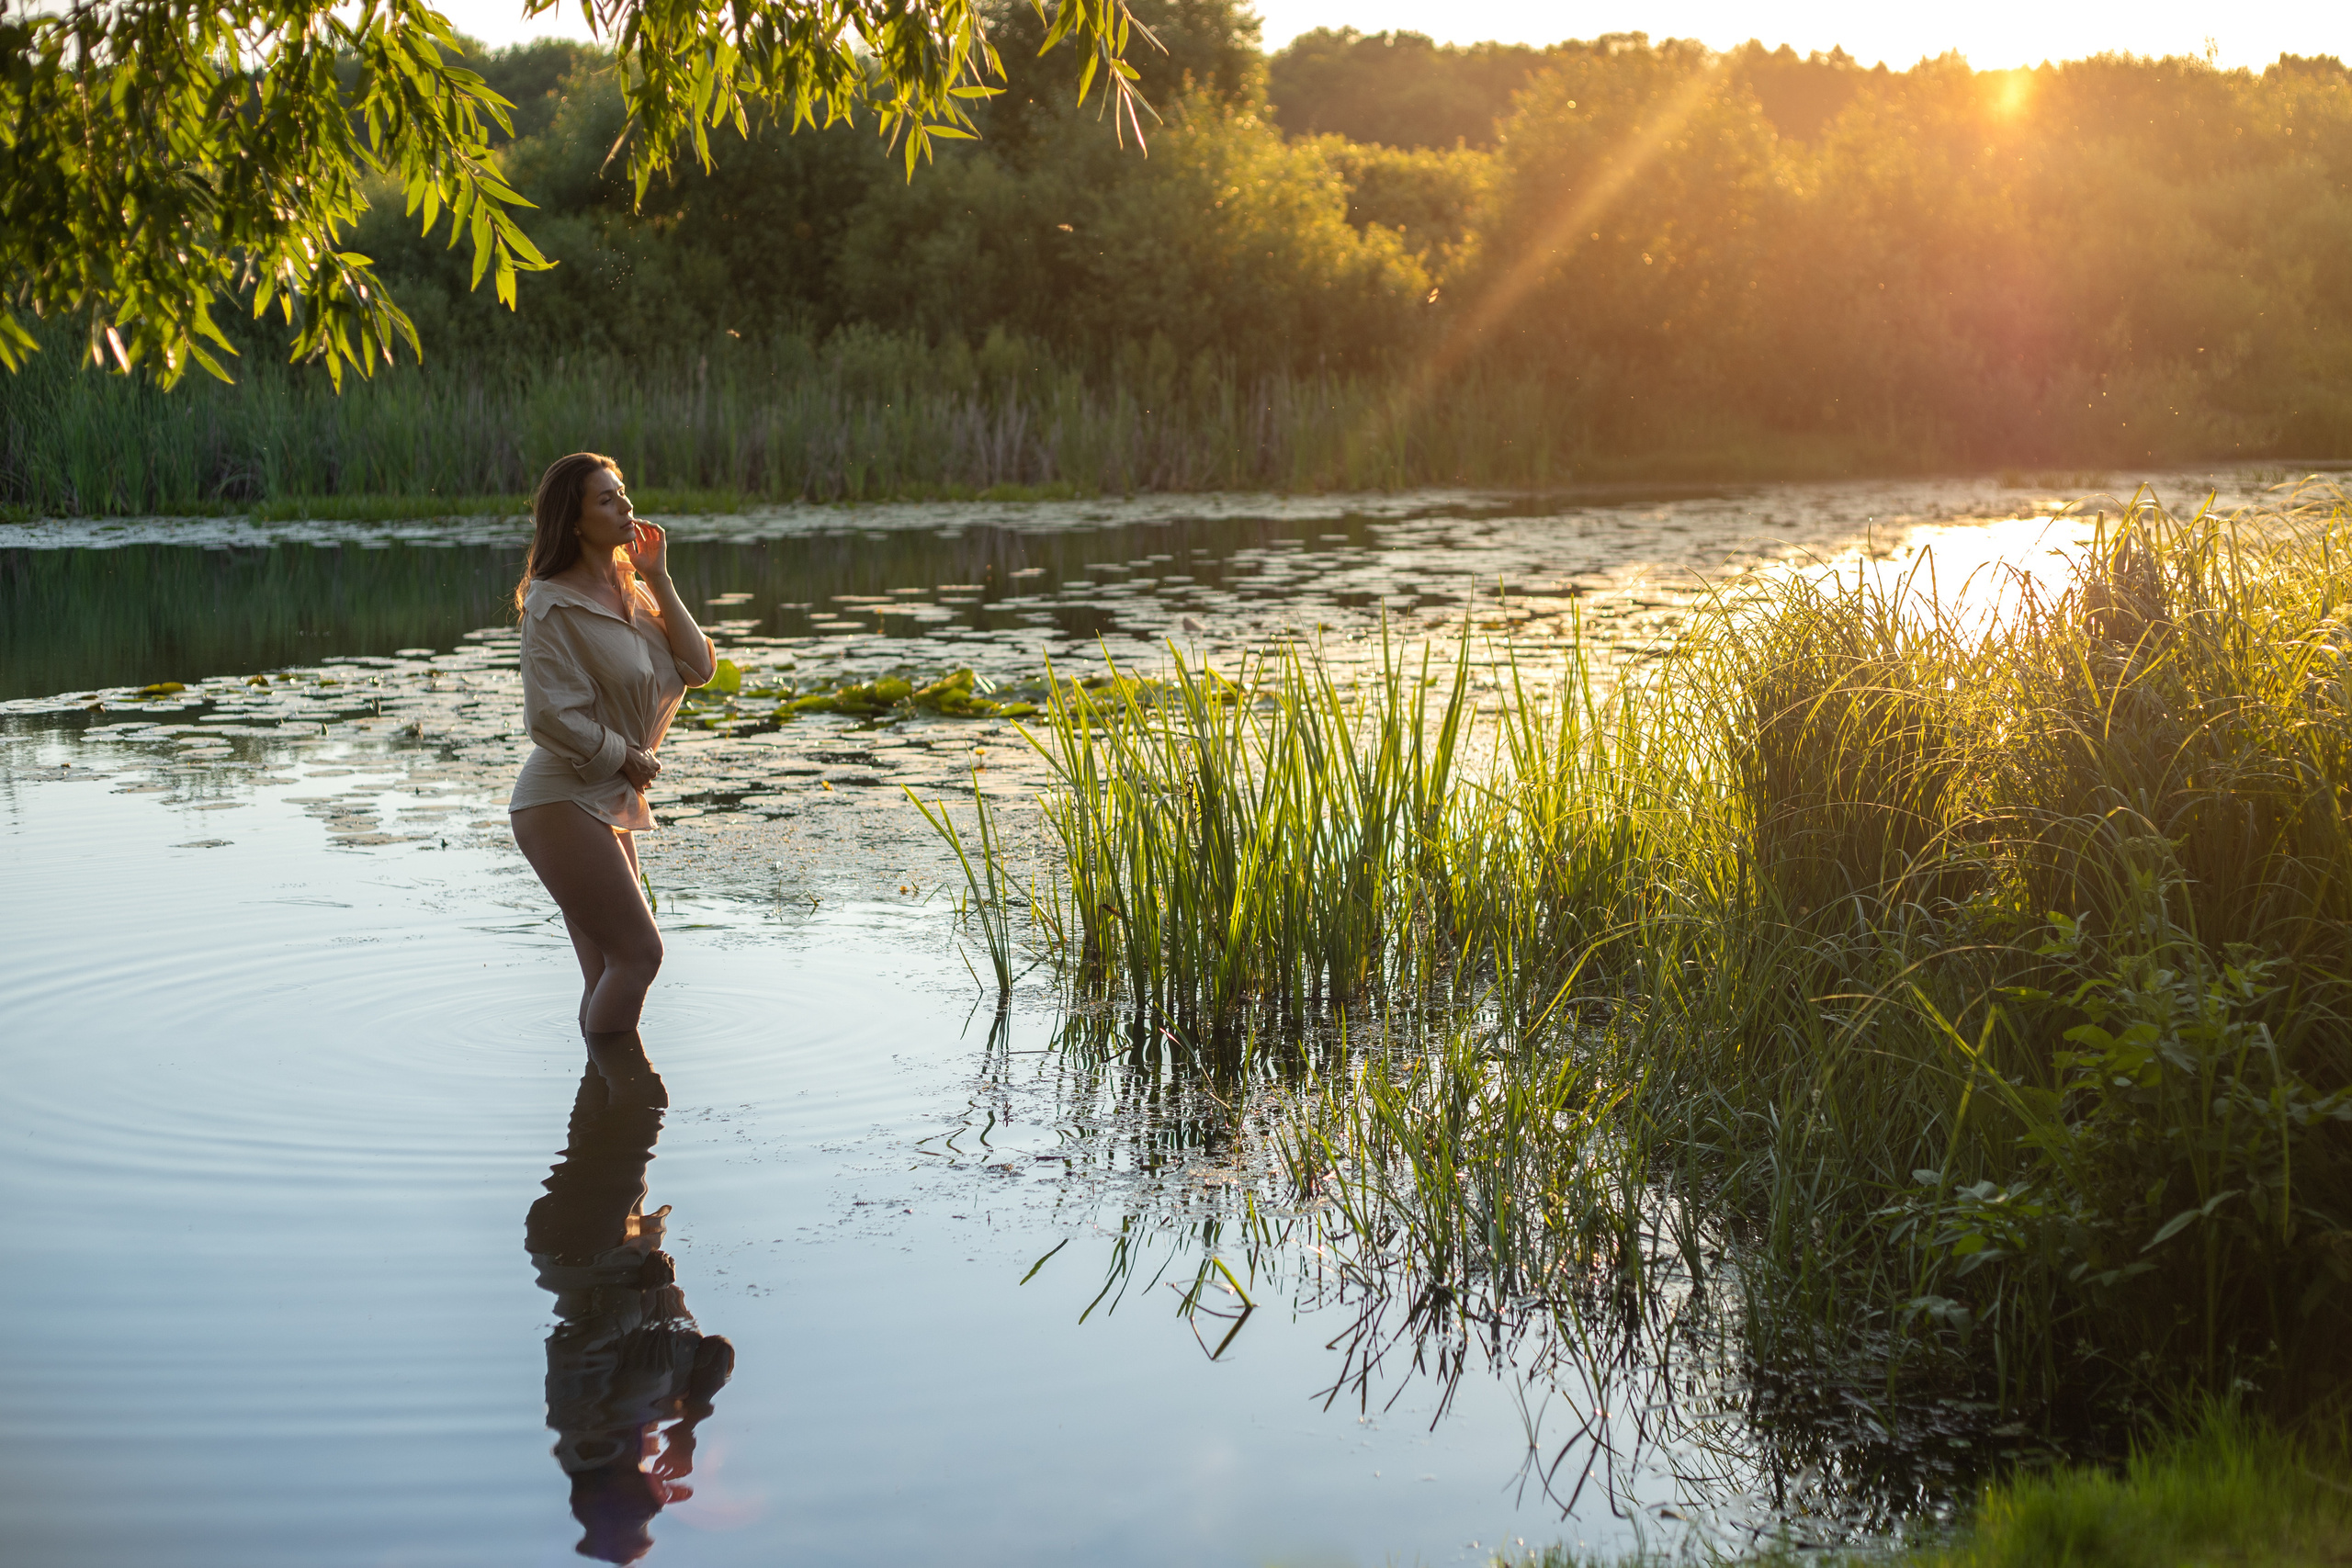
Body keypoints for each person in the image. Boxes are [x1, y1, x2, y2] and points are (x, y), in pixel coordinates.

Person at [509, 453, 717, 1043]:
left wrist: (659, 577)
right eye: (606, 498)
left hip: (606, 797)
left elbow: (698, 667)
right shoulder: (552, 603)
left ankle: (603, 1114)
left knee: (607, 969)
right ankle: (617, 1092)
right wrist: (623, 755)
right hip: (560, 801)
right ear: (573, 522)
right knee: (640, 955)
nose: (625, 505)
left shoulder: (635, 589)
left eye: (622, 492)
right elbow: (550, 715)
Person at [527, 1031, 734, 1565]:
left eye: (641, 1520)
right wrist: (690, 1423)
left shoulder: (584, 1422)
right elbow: (717, 1351)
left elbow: (573, 1342)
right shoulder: (653, 1420)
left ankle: (608, 1024)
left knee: (638, 1112)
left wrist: (641, 1292)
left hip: (580, 1249)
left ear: (611, 1499)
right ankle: (605, 1020)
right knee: (614, 1113)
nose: (657, 1508)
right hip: (621, 1243)